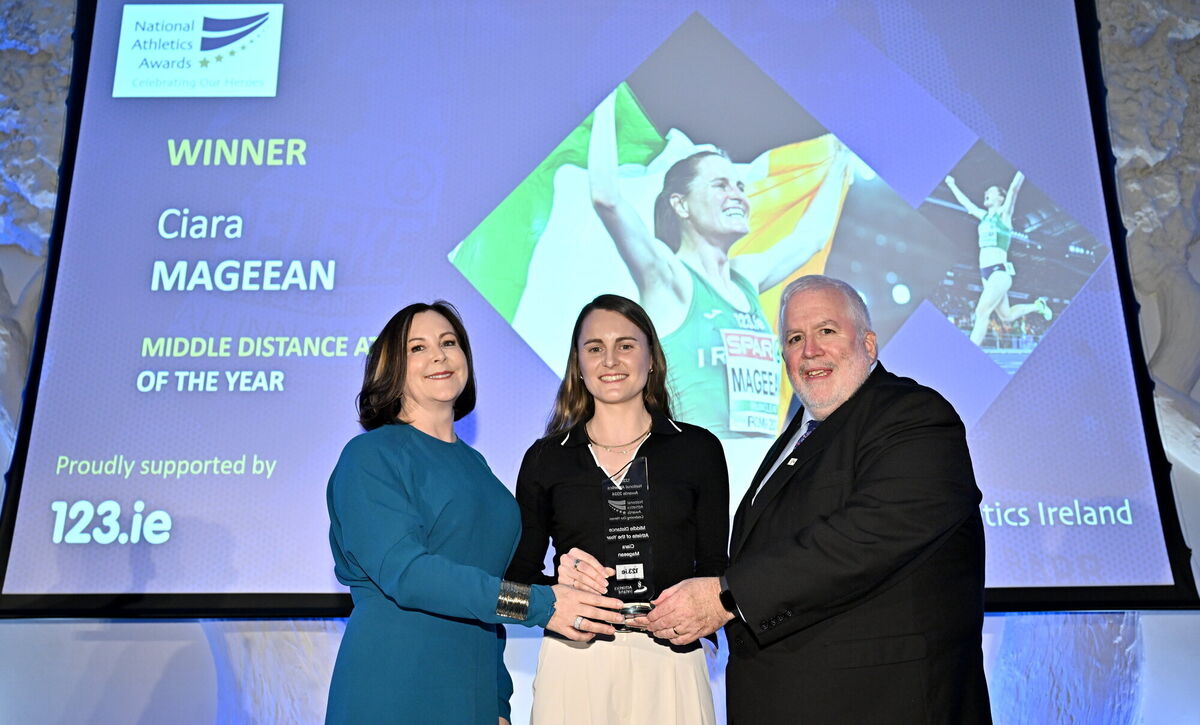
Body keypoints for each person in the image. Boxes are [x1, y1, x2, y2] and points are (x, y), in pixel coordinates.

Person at [635, 276, 992, 723]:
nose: (810, 350)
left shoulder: (914, 417)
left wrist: (725, 597)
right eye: (795, 338)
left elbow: (865, 538)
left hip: (884, 705)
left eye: (826, 331)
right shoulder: (798, 435)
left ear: (868, 343)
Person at [325, 301, 624, 725]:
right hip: (395, 687)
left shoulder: (477, 467)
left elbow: (485, 593)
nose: (439, 355)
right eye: (417, 348)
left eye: (449, 343)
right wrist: (538, 604)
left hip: (474, 695)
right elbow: (410, 574)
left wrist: (499, 701)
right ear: (390, 366)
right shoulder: (370, 456)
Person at [505, 294, 728, 724]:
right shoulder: (545, 458)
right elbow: (513, 587)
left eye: (625, 345)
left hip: (673, 662)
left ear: (651, 358)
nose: (610, 360)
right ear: (579, 366)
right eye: (594, 348)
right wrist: (556, 590)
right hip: (575, 662)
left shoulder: (698, 450)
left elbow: (717, 567)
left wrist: (705, 630)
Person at [588, 88, 852, 443]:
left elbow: (812, 237)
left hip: (758, 478)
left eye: (740, 186)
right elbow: (606, 197)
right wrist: (603, 101)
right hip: (698, 480)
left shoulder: (746, 277)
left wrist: (842, 154)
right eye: (720, 185)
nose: (738, 196)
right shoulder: (670, 278)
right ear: (681, 205)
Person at [944, 172, 1052, 346]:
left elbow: (1014, 188)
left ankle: (968, 353)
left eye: (991, 191)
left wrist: (1024, 166)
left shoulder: (1004, 215)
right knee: (1006, 316)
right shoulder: (984, 216)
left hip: (998, 272)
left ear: (1001, 198)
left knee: (981, 312)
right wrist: (952, 185)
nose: (986, 192)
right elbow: (967, 205)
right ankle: (1038, 306)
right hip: (985, 273)